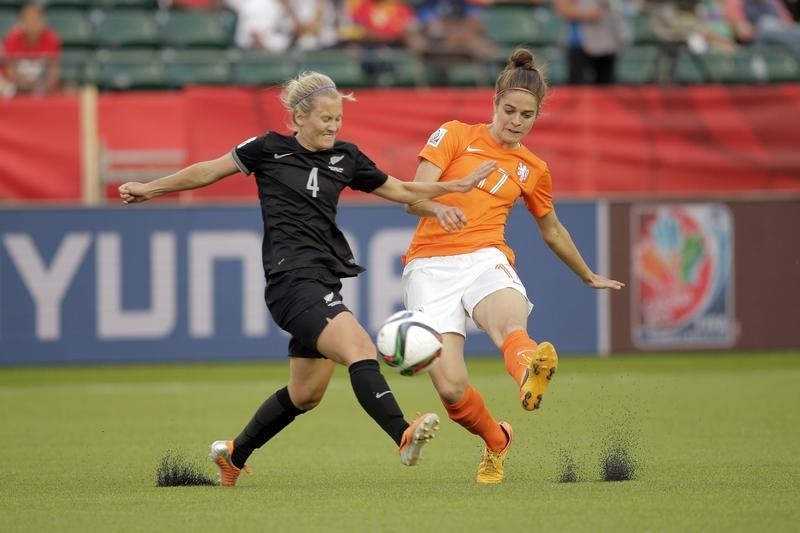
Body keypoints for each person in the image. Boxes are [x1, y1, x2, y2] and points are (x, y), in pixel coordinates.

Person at [118, 71, 496, 487]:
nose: (333, 126)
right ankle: (401, 433)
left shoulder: (346, 158)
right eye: (325, 119)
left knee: (305, 394)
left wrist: (453, 190)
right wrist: (151, 189)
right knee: (359, 346)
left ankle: (234, 456)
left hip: (322, 282)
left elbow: (403, 190)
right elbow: (207, 171)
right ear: (299, 117)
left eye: (338, 119)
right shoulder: (268, 149)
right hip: (290, 282)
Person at [401, 48, 625, 484]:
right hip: (429, 265)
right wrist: (436, 209)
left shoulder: (533, 168)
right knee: (450, 389)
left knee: (509, 325)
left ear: (537, 116)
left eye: (527, 115)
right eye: (509, 110)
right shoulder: (453, 134)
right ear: (494, 103)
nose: (516, 121)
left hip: (486, 256)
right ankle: (497, 440)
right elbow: (412, 194)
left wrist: (587, 273)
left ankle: (529, 369)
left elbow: (552, 229)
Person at [554, 0, 630, 85]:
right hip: (578, 45)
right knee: (577, 89)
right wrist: (589, 13)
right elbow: (563, 8)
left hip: (607, 46)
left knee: (605, 89)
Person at [1, 1, 61, 97]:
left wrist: (40, 86)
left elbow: (54, 74)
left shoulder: (51, 39)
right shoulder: (12, 39)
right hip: (14, 87)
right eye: (28, 19)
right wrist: (27, 86)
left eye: (36, 19)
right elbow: (9, 72)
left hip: (41, 87)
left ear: (42, 21)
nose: (32, 24)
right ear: (21, 22)